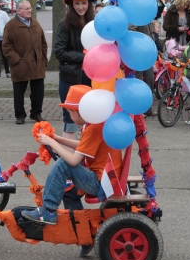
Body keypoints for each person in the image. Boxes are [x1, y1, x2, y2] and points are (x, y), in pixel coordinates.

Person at [21, 85, 122, 228]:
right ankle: (82, 230)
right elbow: (83, 146)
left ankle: (48, 210)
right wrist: (56, 138)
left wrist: (51, 142)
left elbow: (74, 160)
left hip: (101, 183)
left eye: (70, 113)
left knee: (64, 164)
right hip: (106, 179)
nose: (70, 116)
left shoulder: (94, 128)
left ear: (78, 112)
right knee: (69, 192)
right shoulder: (95, 123)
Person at [54, 0, 97, 139]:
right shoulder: (64, 24)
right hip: (70, 80)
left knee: (91, 121)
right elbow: (59, 52)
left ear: (89, 4)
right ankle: (67, 162)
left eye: (84, 3)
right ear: (72, 4)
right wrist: (85, 57)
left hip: (91, 79)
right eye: (77, 3)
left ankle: (85, 160)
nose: (81, 7)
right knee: (70, 122)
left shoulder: (95, 24)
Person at [2, 0, 48, 125]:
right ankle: (20, 115)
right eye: (26, 8)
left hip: (37, 64)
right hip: (20, 65)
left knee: (38, 92)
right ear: (18, 10)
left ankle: (36, 113)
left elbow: (43, 43)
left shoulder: (35, 23)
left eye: (30, 8)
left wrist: (43, 59)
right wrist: (17, 60)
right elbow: (6, 46)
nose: (29, 10)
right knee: (19, 92)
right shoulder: (11, 26)